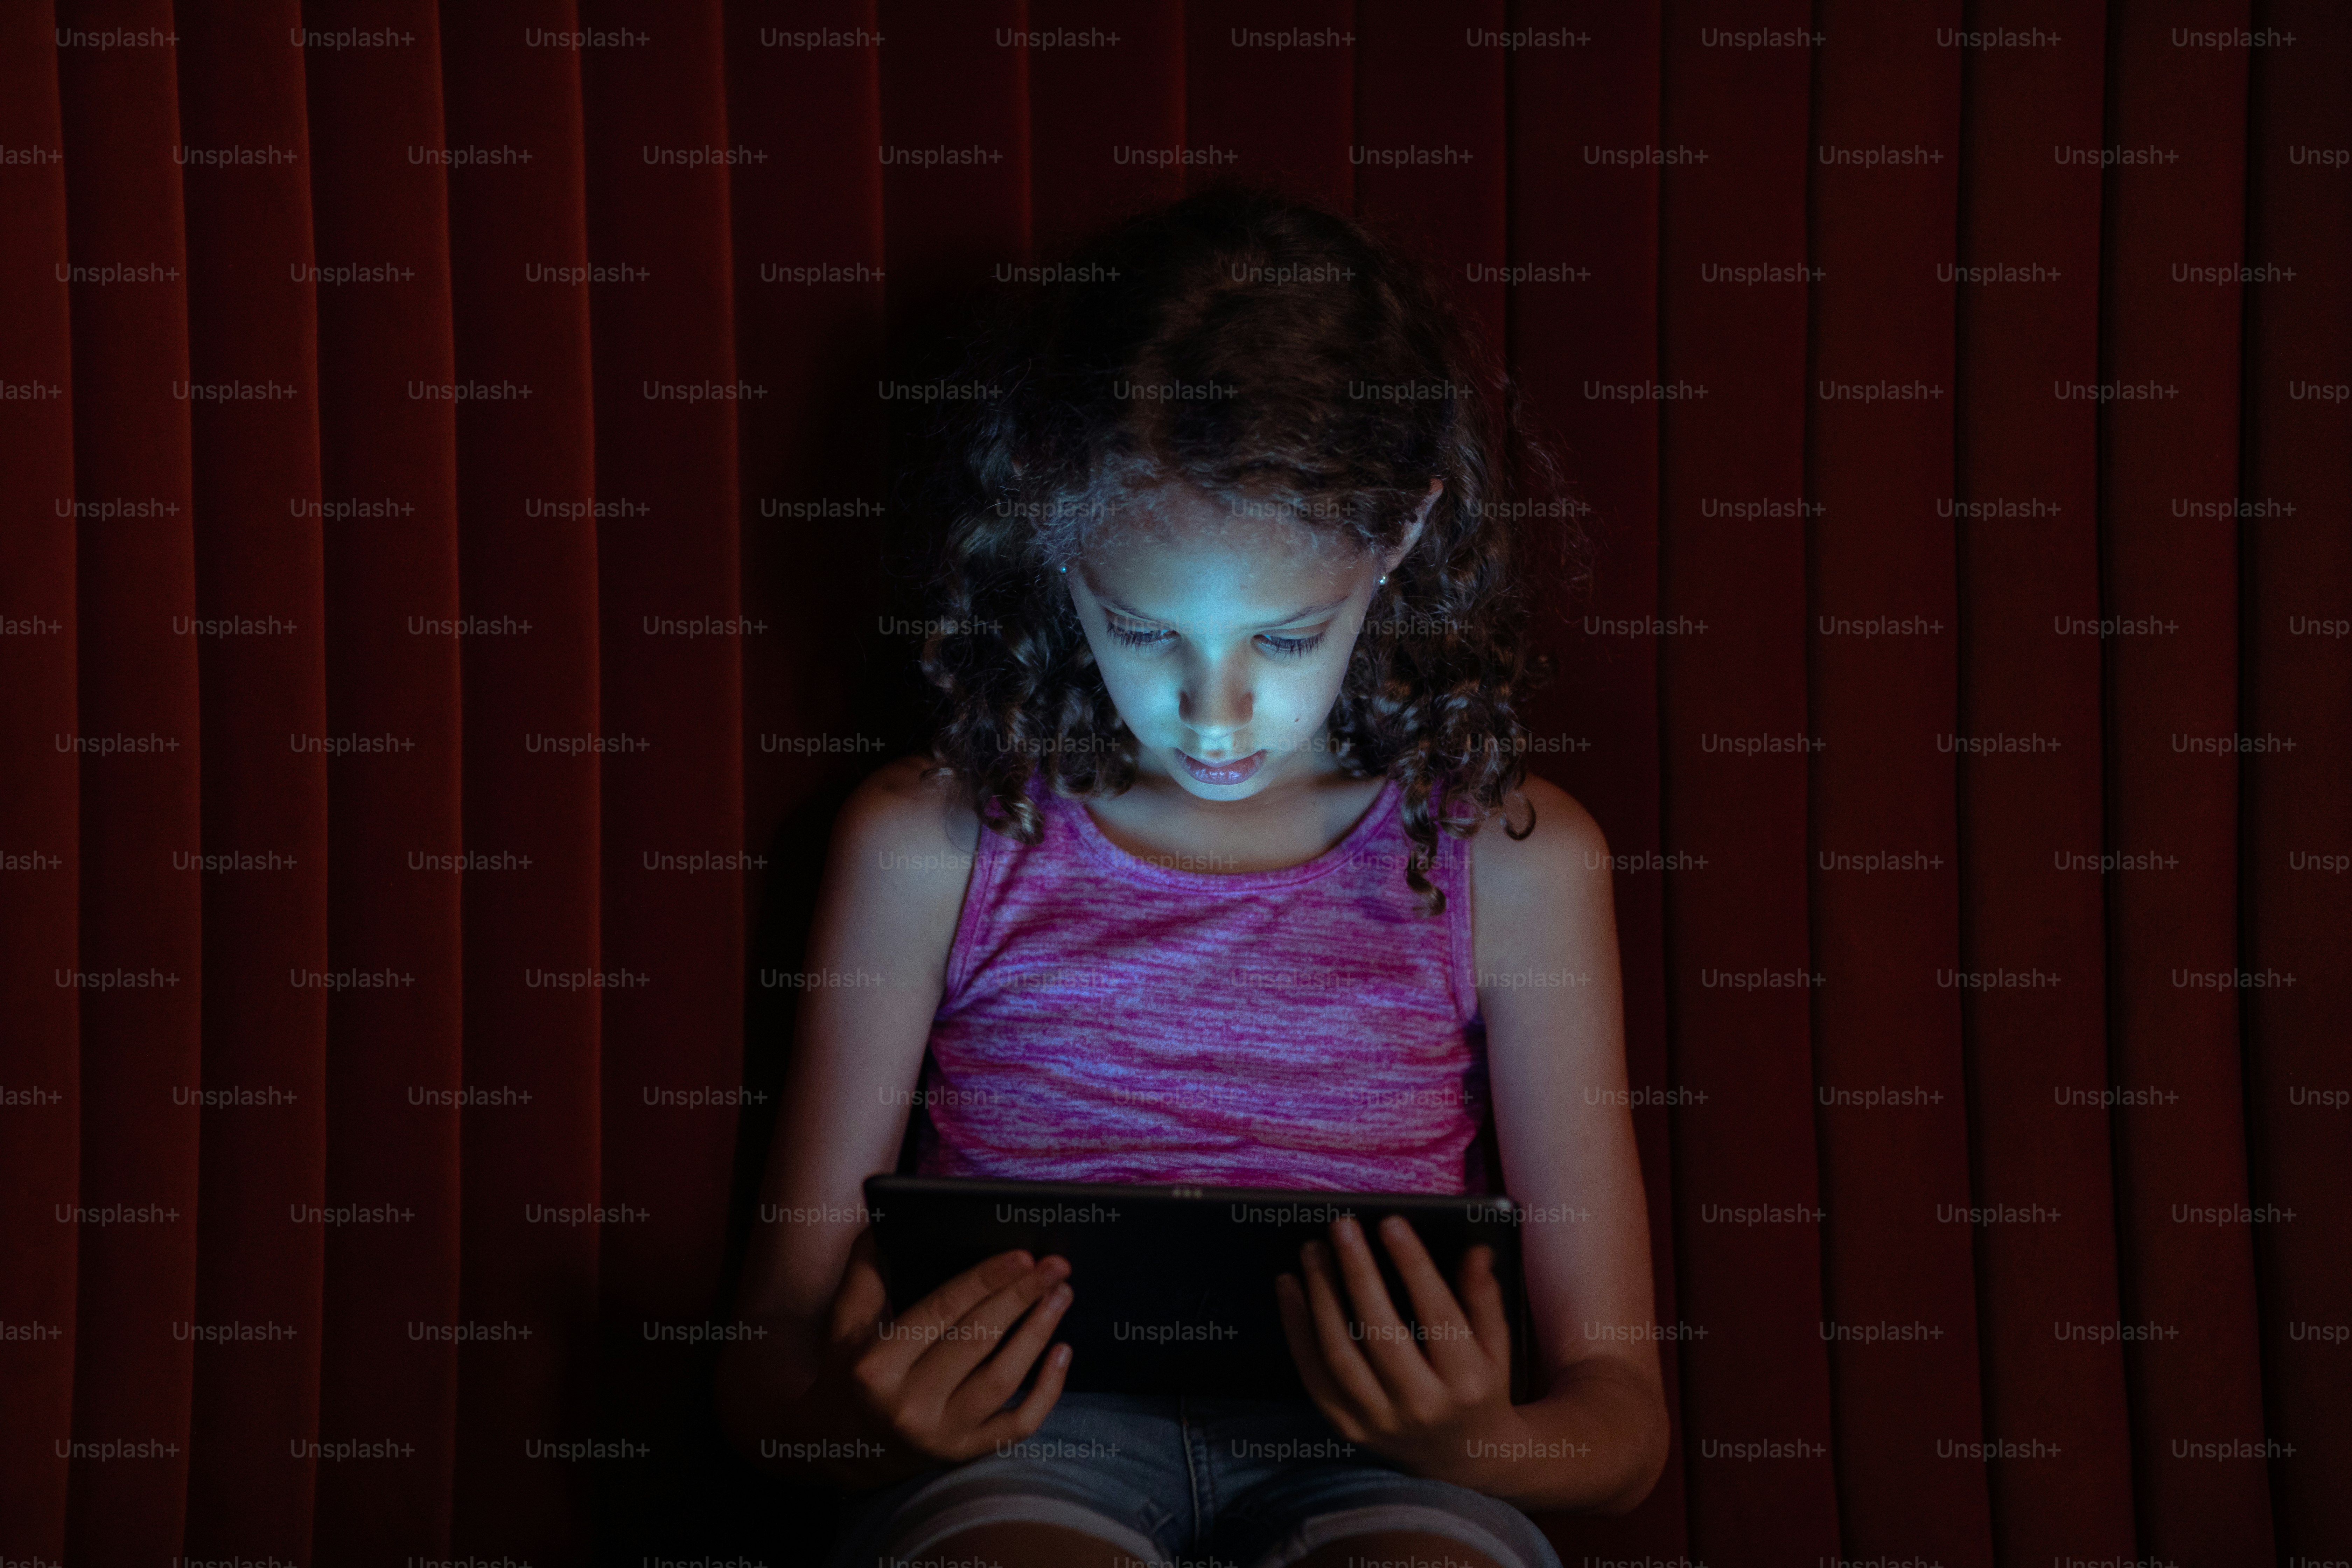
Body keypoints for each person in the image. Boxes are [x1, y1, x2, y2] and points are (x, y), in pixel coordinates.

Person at [718, 187, 1667, 1568]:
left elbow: (1623, 1419)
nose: (1212, 716)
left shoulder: (1512, 863)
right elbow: (763, 1368)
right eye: (1143, 629)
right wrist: (864, 1427)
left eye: (1284, 641)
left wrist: (1485, 1447)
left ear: (1399, 535)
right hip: (1020, 1448)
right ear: (1055, 539)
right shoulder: (934, 841)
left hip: (1387, 1466)